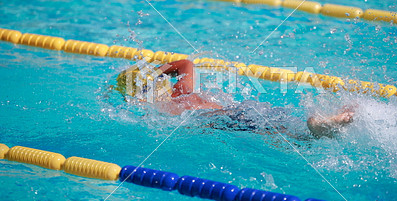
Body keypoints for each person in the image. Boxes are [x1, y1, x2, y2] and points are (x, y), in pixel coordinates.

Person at [117, 59, 354, 139]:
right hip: (240, 108)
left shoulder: (165, 108)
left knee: (290, 137)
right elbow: (185, 63)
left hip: (228, 119)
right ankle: (323, 124)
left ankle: (318, 128)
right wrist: (157, 70)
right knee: (281, 123)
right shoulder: (181, 90)